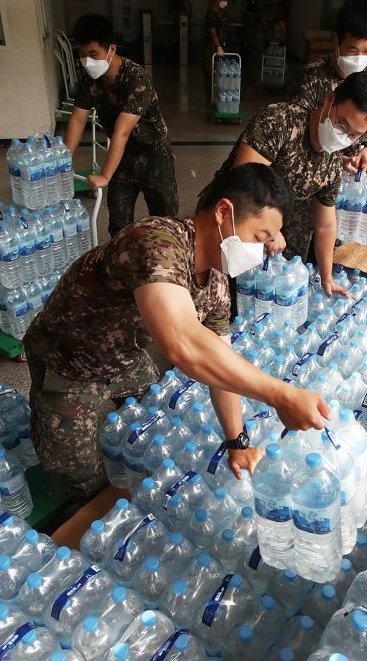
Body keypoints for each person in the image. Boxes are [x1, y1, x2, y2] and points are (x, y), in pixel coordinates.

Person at [22, 164, 329, 499]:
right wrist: (281, 395)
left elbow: (219, 364)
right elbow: (181, 342)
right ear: (223, 212)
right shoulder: (157, 241)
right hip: (70, 363)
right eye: (259, 238)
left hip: (126, 352)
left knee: (146, 425)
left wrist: (238, 442)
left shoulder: (217, 285)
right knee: (88, 479)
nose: (260, 251)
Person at [206, 70, 367, 296]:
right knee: (213, 290)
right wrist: (271, 232)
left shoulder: (331, 164)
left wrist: (327, 276)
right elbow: (243, 181)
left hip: (267, 233)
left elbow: (326, 225)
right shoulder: (279, 122)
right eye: (341, 124)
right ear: (329, 100)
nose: (343, 136)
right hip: (228, 219)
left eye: (353, 135)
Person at [65, 14, 178, 237]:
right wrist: (63, 161)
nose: (87, 61)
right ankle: (122, 266)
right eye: (82, 54)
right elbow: (78, 118)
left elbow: (122, 130)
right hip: (123, 157)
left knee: (166, 223)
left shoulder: (136, 79)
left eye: (93, 54)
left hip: (154, 155)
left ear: (112, 49)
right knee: (118, 225)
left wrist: (105, 175)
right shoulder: (89, 78)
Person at [289, 0, 367, 175]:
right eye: (352, 50)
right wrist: (336, 161)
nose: (360, 58)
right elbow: (297, 133)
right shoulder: (311, 77)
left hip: (356, 168)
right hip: (316, 167)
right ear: (336, 40)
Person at [244, 0, 289, 94]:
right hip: (260, 37)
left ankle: (255, 87)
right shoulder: (276, 9)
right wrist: (284, 40)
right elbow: (282, 25)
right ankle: (250, 90)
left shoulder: (262, 3)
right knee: (256, 63)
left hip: (252, 35)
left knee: (253, 61)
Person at [205, 0, 230, 91]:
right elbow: (213, 33)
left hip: (222, 44)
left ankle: (221, 94)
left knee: (223, 70)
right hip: (211, 46)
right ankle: (209, 98)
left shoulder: (223, 12)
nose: (226, 2)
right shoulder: (210, 14)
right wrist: (218, 46)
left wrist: (222, 46)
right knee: (209, 72)